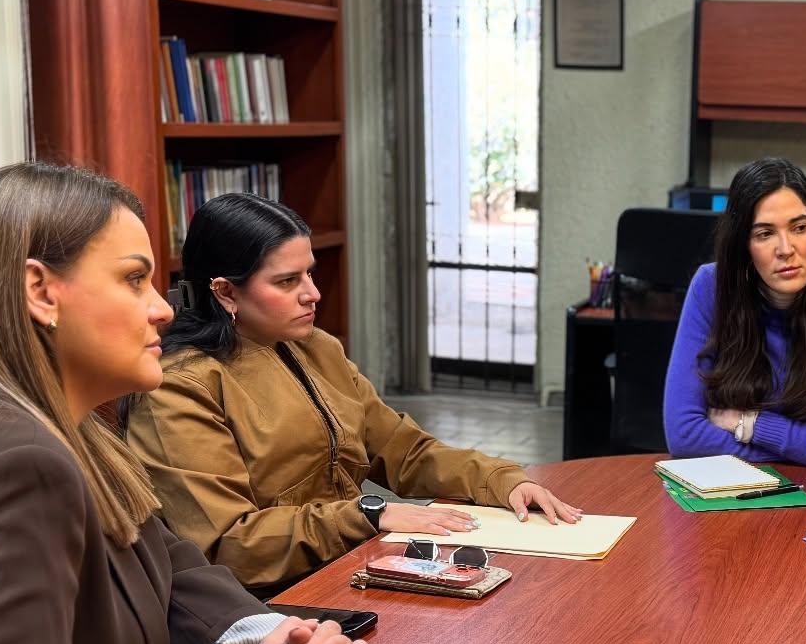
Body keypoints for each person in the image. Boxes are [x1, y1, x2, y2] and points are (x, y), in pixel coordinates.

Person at [0, 163, 371, 644]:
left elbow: (172, 567)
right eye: (135, 279)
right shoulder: (18, 461)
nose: (162, 308)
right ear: (40, 291)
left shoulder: (76, 431)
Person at [124, 193, 580, 596]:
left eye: (309, 273)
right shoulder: (179, 388)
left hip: (350, 566)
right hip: (269, 604)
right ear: (225, 292)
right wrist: (368, 515)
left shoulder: (316, 348)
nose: (313, 294)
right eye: (287, 281)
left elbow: (406, 452)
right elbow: (228, 544)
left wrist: (502, 480)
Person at [662, 157, 806, 466]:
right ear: (743, 246)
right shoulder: (712, 286)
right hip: (737, 490)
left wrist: (749, 426)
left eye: (800, 227)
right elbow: (683, 435)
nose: (786, 249)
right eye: (764, 234)